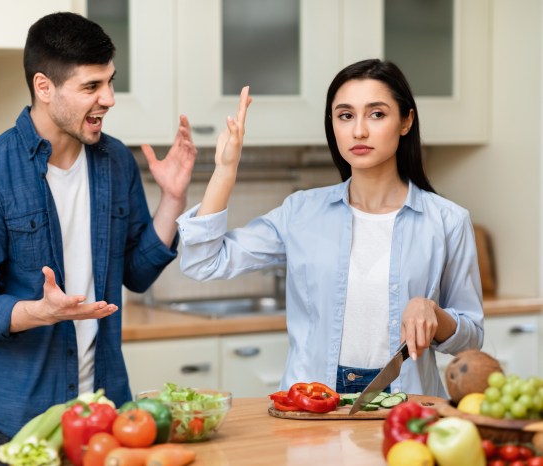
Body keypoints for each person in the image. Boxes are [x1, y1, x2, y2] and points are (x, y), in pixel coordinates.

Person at [0, 12, 196, 464]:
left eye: (110, 82)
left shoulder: (116, 161)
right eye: (91, 87)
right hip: (17, 418)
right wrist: (40, 312)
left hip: (105, 413)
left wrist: (173, 200)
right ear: (44, 87)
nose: (109, 99)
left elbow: (136, 274)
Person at [177, 59, 484, 398]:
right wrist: (225, 169)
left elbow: (471, 337)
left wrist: (434, 314)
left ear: (406, 121)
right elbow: (204, 261)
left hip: (406, 403)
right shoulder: (301, 212)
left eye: (377, 114)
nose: (359, 131)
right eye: (345, 115)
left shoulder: (448, 221)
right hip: (311, 403)